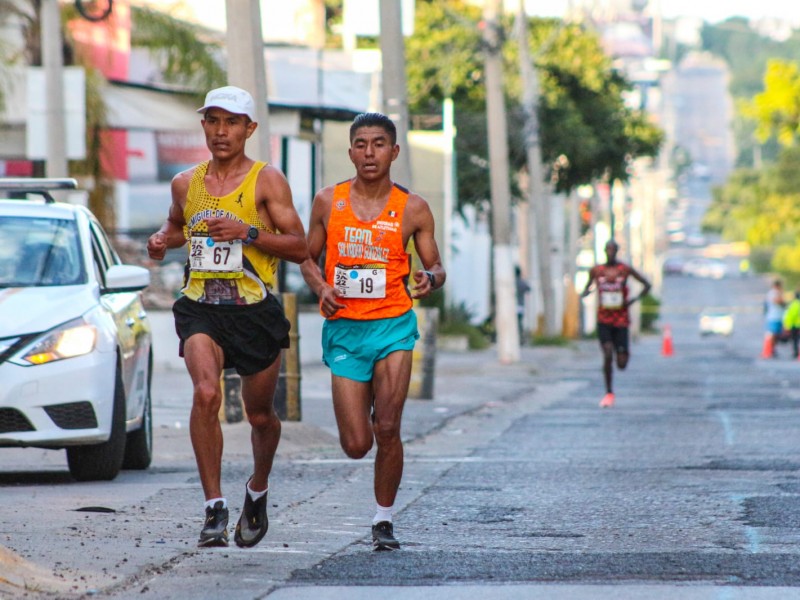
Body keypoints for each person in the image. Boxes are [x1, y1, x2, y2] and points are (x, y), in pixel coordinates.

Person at [146, 85, 308, 548]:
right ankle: (213, 507)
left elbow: (301, 247)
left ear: (249, 129)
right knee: (205, 392)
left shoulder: (267, 181)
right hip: (201, 306)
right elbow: (176, 226)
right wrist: (161, 240)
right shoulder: (185, 183)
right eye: (213, 121)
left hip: (254, 311)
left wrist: (249, 231)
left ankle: (256, 490)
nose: (221, 131)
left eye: (232, 122)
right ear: (203, 126)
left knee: (260, 417)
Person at [300, 112, 446, 551]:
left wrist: (429, 279)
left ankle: (383, 519)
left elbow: (435, 266)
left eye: (379, 144)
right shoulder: (328, 201)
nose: (369, 152)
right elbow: (306, 257)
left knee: (388, 426)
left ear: (394, 151)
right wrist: (322, 286)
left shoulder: (414, 208)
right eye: (361, 144)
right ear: (350, 152)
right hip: (345, 330)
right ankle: (363, 407)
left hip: (393, 326)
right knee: (356, 444)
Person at [581, 239, 651, 408]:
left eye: (613, 250)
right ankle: (609, 391)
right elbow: (586, 288)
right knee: (606, 354)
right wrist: (586, 292)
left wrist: (633, 300)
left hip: (621, 320)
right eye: (608, 250)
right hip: (603, 319)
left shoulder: (624, 270)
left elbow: (647, 285)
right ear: (605, 251)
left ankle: (623, 354)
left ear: (617, 251)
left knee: (621, 363)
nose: (610, 253)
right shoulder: (597, 271)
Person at [764, 279, 786, 358]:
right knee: (772, 334)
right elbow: (779, 301)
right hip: (774, 317)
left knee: (776, 335)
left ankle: (772, 350)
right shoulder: (773, 293)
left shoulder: (776, 292)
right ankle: (770, 350)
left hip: (778, 316)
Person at [515, 265, 531, 345]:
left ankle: (516, 338)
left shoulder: (511, 281)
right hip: (520, 305)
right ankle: (520, 338)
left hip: (512, 307)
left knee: (514, 323)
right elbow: (528, 288)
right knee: (519, 323)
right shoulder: (521, 282)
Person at [782, 290, 800, 359]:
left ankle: (796, 353)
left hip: (794, 325)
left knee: (795, 340)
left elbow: (790, 316)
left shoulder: (793, 304)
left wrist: (787, 325)